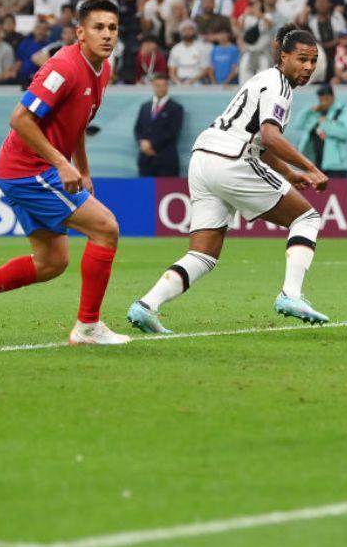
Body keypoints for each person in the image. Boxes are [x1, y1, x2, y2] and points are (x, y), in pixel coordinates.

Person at [0, 0, 130, 346]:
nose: (107, 35)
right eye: (98, 28)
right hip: (29, 170)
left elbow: (78, 122)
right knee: (106, 229)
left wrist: (82, 168)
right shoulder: (63, 68)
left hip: (31, 170)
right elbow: (20, 119)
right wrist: (62, 163)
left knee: (51, 263)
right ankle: (88, 327)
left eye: (112, 28)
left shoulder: (103, 70)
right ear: (80, 33)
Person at [126, 26, 331, 335]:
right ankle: (291, 294)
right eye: (302, 59)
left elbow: (261, 140)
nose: (308, 67)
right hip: (231, 160)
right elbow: (270, 137)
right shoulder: (280, 87)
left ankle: (145, 306)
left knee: (203, 253)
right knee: (306, 217)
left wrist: (289, 173)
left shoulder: (262, 79)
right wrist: (311, 168)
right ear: (284, 56)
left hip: (203, 158)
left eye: (313, 61)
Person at [295, 84, 347, 179]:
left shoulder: (341, 111)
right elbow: (298, 124)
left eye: (326, 98)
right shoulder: (315, 112)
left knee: (337, 192)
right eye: (321, 98)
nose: (323, 101)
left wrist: (325, 124)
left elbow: (346, 133)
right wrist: (309, 110)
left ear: (332, 97)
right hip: (314, 163)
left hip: (336, 167)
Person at [134, 74, 184, 177]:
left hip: (166, 162)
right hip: (145, 163)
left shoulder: (176, 108)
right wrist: (142, 143)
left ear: (167, 86)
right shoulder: (145, 107)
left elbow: (172, 132)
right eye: (158, 85)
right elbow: (138, 129)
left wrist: (151, 144)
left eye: (163, 85)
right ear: (153, 86)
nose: (161, 88)